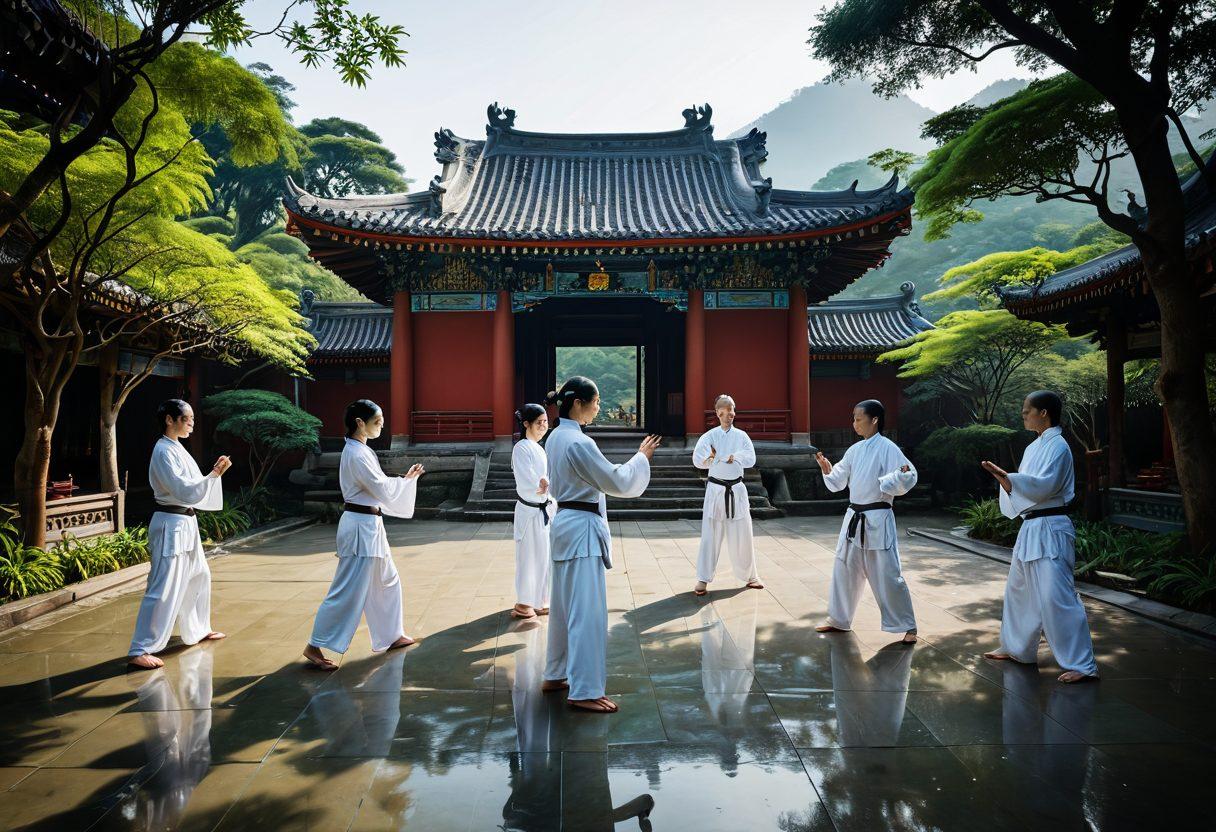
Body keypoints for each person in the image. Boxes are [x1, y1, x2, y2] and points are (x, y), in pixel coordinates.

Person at [540, 376, 659, 713]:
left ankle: (555, 672)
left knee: (564, 610)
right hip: (581, 531)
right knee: (588, 614)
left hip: (566, 524)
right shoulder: (578, 443)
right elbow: (616, 481)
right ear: (578, 404)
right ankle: (585, 689)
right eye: (595, 401)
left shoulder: (555, 437)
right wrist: (641, 458)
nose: (599, 407)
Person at [981, 391, 1098, 684]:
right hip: (1032, 527)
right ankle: (1017, 648)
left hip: (1052, 526)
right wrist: (1008, 481)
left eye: (1026, 410)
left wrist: (1008, 478)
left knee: (1055, 597)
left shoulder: (1059, 446)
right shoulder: (1034, 447)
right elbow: (1025, 486)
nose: (1023, 415)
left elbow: (1044, 485)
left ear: (1043, 413)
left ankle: (1082, 664)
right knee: (1019, 591)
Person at [303, 399, 425, 670]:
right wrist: (405, 481)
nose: (382, 425)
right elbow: (379, 486)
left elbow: (377, 486)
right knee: (347, 590)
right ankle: (314, 644)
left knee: (388, 580)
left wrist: (404, 481)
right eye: (377, 421)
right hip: (360, 527)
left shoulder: (360, 450)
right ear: (360, 423)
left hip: (369, 525)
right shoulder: (357, 454)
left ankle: (391, 635)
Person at [128, 399, 231, 670]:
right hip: (171, 523)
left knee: (199, 575)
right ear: (169, 420)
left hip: (186, 523)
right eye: (187, 419)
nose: (192, 424)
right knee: (163, 586)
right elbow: (184, 490)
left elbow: (193, 490)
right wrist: (212, 475)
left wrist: (213, 475)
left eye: (192, 419)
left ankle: (197, 629)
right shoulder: (163, 451)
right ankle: (141, 648)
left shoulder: (177, 449)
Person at [814, 400, 919, 643]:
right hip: (854, 517)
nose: (854, 423)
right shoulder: (854, 450)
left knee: (887, 573)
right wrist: (828, 470)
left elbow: (908, 474)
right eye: (853, 418)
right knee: (844, 568)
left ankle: (907, 626)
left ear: (874, 420)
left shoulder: (888, 447)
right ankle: (839, 619)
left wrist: (891, 480)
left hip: (877, 517)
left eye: (858, 418)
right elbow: (839, 478)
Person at [692, 394, 763, 596]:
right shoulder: (709, 436)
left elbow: (750, 458)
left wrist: (734, 457)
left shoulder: (741, 436)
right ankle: (703, 579)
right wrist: (715, 459)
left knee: (743, 532)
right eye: (726, 410)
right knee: (710, 535)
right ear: (718, 413)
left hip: (737, 490)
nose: (730, 413)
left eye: (732, 409)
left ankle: (751, 575)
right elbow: (698, 460)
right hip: (716, 490)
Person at [511, 403, 554, 620]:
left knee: (542, 556)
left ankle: (540, 599)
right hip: (529, 511)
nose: (543, 426)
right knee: (528, 557)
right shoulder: (521, 448)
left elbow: (543, 477)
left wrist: (546, 486)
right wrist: (541, 484)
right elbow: (525, 476)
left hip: (541, 510)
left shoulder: (538, 447)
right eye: (539, 422)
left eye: (545, 422)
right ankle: (523, 602)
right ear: (526, 423)